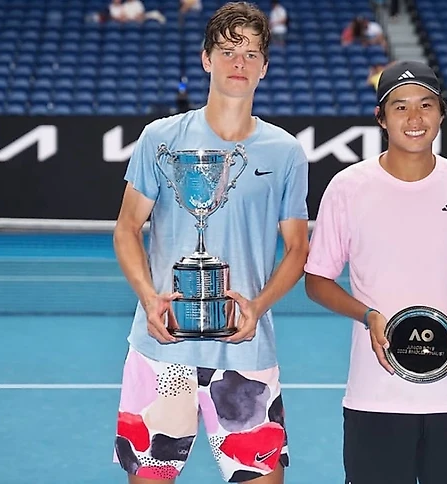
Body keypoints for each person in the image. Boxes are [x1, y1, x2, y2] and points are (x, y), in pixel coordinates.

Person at [111, 3, 310, 483]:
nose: (239, 63)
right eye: (227, 51)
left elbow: (297, 249)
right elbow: (127, 228)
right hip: (163, 348)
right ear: (206, 59)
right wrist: (149, 298)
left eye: (251, 54)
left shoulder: (285, 152)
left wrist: (257, 306)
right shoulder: (160, 139)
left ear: (264, 67)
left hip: (245, 351)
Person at [304, 61, 447, 484]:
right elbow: (317, 281)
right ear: (381, 118)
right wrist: (368, 315)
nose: (414, 118)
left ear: (441, 114)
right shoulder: (347, 187)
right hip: (374, 397)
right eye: (400, 107)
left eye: (426, 105)